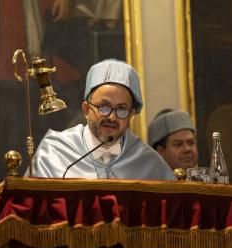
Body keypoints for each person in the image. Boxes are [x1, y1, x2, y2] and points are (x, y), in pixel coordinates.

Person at [30, 59, 176, 180]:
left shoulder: (147, 160)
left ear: (131, 115)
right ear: (86, 110)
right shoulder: (55, 152)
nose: (112, 117)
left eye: (122, 109)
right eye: (104, 107)